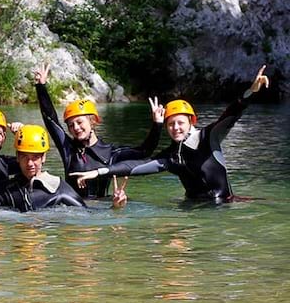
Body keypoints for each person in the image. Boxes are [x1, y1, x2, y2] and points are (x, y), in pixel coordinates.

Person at [72, 65, 270, 204]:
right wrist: (99, 172)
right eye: (170, 124)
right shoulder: (169, 157)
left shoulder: (209, 137)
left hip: (224, 204)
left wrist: (251, 90)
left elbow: (232, 113)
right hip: (192, 208)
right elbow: (135, 167)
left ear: (192, 121)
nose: (175, 128)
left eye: (180, 123)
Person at [33, 63, 164, 198]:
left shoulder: (111, 153)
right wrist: (41, 87)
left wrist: (157, 124)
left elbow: (144, 152)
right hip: (74, 210)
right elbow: (50, 120)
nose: (76, 128)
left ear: (93, 122)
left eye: (79, 122)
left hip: (101, 210)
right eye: (71, 125)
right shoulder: (68, 149)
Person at [0, 124, 128, 212]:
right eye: (25, 157)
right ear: (17, 157)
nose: (30, 163)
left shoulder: (59, 189)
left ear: (43, 158)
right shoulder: (6, 190)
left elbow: (89, 215)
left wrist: (115, 207)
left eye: (35, 157)